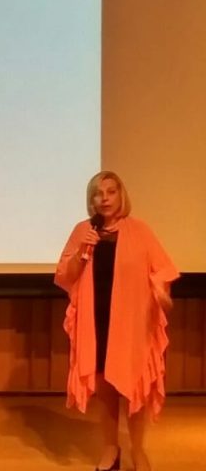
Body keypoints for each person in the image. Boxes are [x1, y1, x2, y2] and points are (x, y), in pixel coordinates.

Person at [55, 171, 178, 471]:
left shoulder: (139, 230)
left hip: (130, 321)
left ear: (121, 196)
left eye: (111, 192)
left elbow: (162, 268)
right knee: (105, 387)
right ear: (91, 200)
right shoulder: (83, 230)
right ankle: (111, 449)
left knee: (134, 386)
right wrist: (81, 252)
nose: (105, 198)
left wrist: (161, 291)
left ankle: (138, 450)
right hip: (96, 319)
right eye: (98, 193)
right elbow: (65, 275)